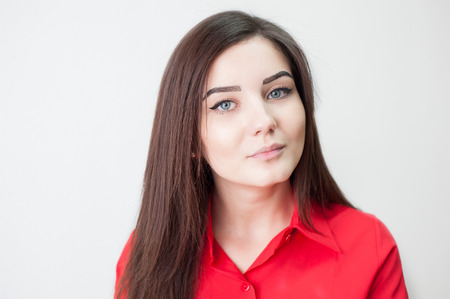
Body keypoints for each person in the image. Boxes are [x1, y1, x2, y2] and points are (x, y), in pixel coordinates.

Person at [114, 10, 408, 299]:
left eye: (278, 92)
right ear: (188, 138)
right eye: (225, 104)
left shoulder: (368, 244)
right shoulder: (145, 255)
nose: (264, 121)